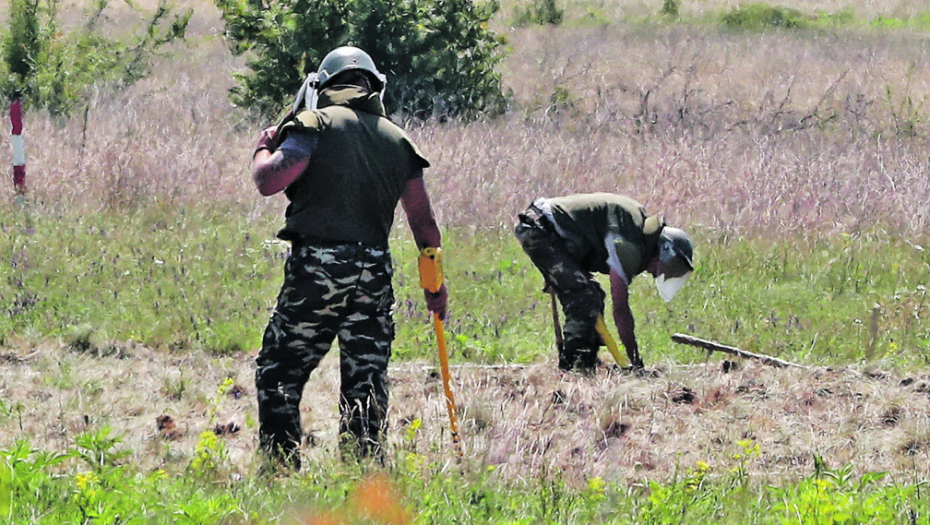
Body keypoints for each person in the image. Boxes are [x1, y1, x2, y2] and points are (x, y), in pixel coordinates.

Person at [251, 46, 447, 469]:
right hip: (374, 273)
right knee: (366, 381)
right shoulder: (398, 140)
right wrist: (435, 284)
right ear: (374, 86)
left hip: (318, 268)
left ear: (323, 84)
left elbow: (271, 181)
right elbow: (423, 223)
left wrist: (262, 150)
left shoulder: (313, 123)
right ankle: (363, 475)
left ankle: (280, 468)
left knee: (279, 370)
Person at [514, 192, 693, 372]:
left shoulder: (634, 228)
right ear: (662, 252)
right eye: (665, 268)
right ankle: (572, 369)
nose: (657, 275)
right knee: (585, 298)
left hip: (547, 228)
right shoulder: (628, 242)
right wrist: (636, 362)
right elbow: (620, 309)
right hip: (540, 229)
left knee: (593, 295)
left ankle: (586, 362)